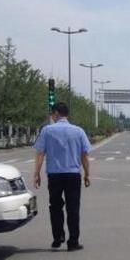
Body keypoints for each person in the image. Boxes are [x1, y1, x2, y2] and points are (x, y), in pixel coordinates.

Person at [33, 102, 91, 251]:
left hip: (54, 175)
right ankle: (73, 241)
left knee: (55, 207)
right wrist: (87, 174)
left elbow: (40, 153)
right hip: (73, 175)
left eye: (52, 114)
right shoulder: (78, 131)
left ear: (57, 113)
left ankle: (57, 238)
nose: (52, 116)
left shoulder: (47, 131)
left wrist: (36, 173)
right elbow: (84, 155)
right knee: (73, 208)